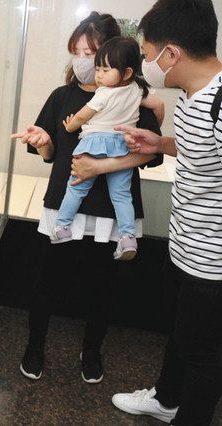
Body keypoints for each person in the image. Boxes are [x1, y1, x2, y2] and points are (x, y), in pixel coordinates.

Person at [11, 12, 163, 383]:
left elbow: (152, 154)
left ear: (114, 57)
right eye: (76, 52)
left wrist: (102, 166)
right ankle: (35, 346)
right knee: (45, 281)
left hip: (111, 209)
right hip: (64, 201)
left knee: (103, 287)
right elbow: (51, 155)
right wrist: (43, 143)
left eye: (91, 53)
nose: (83, 61)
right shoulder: (62, 97)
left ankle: (92, 350)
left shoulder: (133, 99)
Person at [110, 1, 222, 424]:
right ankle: (166, 398)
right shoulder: (194, 94)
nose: (145, 63)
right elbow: (200, 148)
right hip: (184, 246)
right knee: (179, 334)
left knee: (203, 356)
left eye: (147, 53)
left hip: (211, 264)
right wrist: (159, 143)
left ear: (171, 54)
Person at [54, 36, 164, 262]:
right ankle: (128, 238)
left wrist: (70, 125)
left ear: (127, 72)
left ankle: (62, 227)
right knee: (122, 196)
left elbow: (83, 116)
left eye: (105, 70)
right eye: (98, 69)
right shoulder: (136, 90)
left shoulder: (103, 93)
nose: (99, 75)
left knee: (76, 188)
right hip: (122, 147)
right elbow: (158, 105)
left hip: (94, 143)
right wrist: (154, 130)